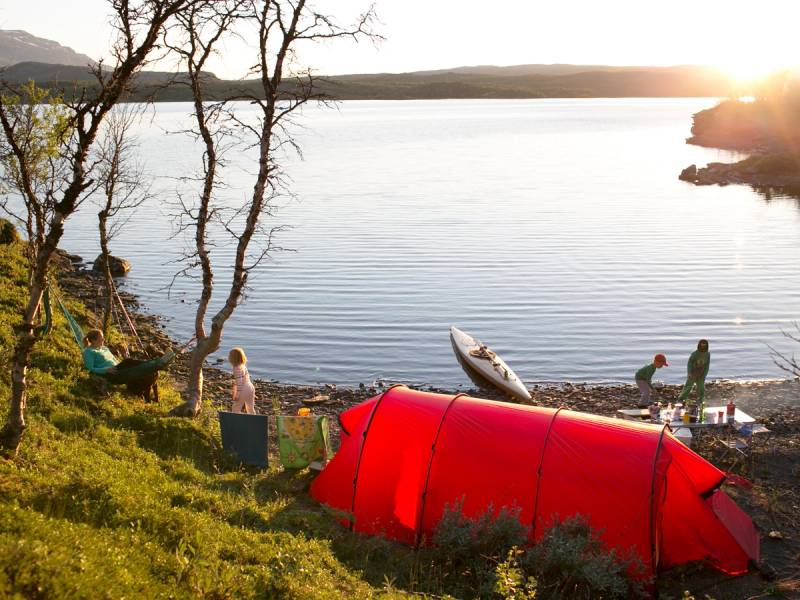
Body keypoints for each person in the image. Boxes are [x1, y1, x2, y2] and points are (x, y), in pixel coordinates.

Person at [82, 329, 159, 401]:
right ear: (93, 340)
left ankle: (153, 366)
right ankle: (154, 363)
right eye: (101, 338)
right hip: (110, 374)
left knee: (141, 369)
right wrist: (106, 370)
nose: (103, 340)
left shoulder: (104, 348)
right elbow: (90, 368)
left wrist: (121, 362)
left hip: (118, 368)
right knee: (128, 361)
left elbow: (113, 360)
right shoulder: (89, 352)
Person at [678, 339, 711, 405]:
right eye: (702, 346)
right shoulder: (695, 354)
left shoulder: (708, 354)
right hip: (693, 372)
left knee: (701, 387)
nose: (703, 347)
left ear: (707, 346)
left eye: (704, 346)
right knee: (688, 386)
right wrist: (689, 372)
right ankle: (681, 398)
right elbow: (689, 363)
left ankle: (701, 400)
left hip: (701, 373)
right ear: (699, 345)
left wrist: (705, 374)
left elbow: (707, 364)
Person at [229, 347, 257, 414]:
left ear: (233, 358)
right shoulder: (243, 365)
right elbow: (245, 378)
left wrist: (237, 395)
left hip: (243, 389)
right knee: (250, 407)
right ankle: (254, 421)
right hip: (250, 386)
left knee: (236, 408)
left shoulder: (236, 368)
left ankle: (236, 422)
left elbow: (240, 382)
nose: (228, 357)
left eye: (230, 355)